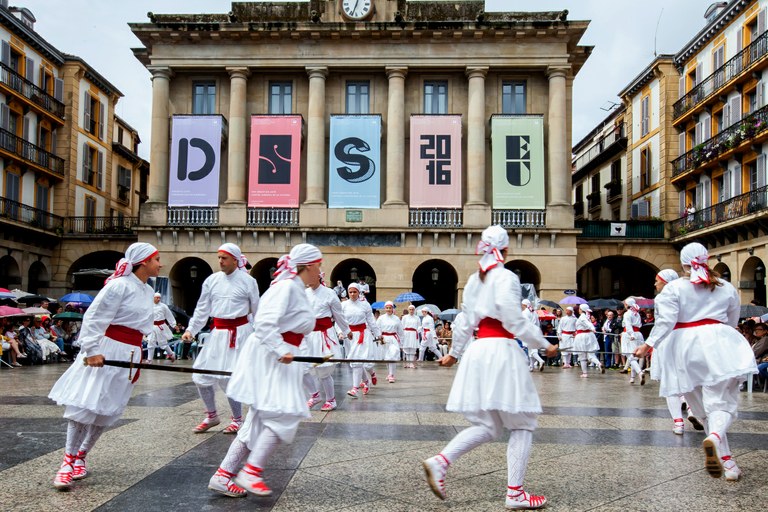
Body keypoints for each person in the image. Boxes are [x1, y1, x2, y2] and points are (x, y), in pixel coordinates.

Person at [422, 225, 558, 509]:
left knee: (488, 424)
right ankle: (515, 493)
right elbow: (513, 319)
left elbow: (464, 321)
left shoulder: (475, 280)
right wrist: (543, 345)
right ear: (505, 250)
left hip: (478, 350)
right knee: (523, 424)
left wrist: (454, 353)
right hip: (500, 351)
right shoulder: (506, 277)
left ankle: (440, 461)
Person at [634, 243, 757, 482]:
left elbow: (665, 322)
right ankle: (715, 437)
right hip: (718, 342)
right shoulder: (726, 287)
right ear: (706, 259)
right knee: (721, 403)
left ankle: (729, 463)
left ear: (683, 263)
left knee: (701, 406)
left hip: (683, 347)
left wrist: (649, 344)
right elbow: (731, 321)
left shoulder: (673, 289)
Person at [209, 244, 322, 498]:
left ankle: (223, 475)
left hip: (279, 360)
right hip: (270, 360)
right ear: (309, 265)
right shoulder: (286, 288)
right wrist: (282, 348)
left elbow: (292, 328)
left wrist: (298, 353)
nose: (320, 271)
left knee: (259, 420)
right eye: (319, 265)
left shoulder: (295, 288)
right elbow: (264, 322)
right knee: (284, 412)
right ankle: (251, 471)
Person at [48, 242, 161, 490]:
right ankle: (66, 462)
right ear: (143, 262)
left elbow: (143, 325)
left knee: (107, 410)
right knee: (85, 406)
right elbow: (95, 316)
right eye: (156, 259)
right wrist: (92, 350)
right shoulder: (119, 285)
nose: (159, 264)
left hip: (130, 354)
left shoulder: (145, 289)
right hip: (107, 348)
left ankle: (82, 456)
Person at [182, 243, 260, 434]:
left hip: (240, 333)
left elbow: (258, 311)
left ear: (235, 259)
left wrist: (261, 337)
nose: (220, 261)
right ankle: (211, 415)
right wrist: (191, 329)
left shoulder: (248, 281)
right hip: (218, 334)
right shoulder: (211, 280)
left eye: (224, 258)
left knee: (230, 378)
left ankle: (237, 419)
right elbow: (202, 309)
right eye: (218, 257)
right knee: (200, 375)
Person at [304, 272, 350, 412]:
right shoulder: (304, 293)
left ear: (318, 277)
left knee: (324, 370)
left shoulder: (329, 293)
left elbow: (338, 315)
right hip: (308, 335)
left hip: (324, 335)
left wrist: (346, 330)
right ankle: (315, 395)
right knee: (303, 367)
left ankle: (331, 400)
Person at [342, 282, 381, 398]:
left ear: (359, 292)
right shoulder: (343, 305)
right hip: (350, 336)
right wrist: (341, 332)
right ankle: (367, 381)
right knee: (355, 362)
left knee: (359, 361)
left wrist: (378, 334)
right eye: (350, 292)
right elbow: (340, 320)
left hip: (362, 336)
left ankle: (355, 388)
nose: (353, 294)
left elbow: (371, 321)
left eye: (355, 292)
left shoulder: (365, 305)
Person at [377, 301, 404, 383]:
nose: (388, 309)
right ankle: (389, 373)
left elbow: (400, 331)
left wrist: (401, 343)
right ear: (385, 308)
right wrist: (379, 338)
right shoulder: (381, 318)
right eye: (387, 308)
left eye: (390, 308)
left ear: (392, 308)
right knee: (387, 357)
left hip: (393, 339)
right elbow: (377, 328)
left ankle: (391, 374)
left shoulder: (396, 319)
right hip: (384, 339)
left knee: (392, 356)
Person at [573, 304, 604, 377]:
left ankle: (585, 373)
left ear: (581, 310)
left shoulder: (582, 317)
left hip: (582, 337)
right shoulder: (587, 316)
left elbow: (588, 324)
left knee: (582, 355)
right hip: (589, 336)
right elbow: (588, 324)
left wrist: (593, 328)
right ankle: (599, 364)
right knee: (591, 354)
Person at [146, 293, 177, 363]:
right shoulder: (149, 305)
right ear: (153, 298)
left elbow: (169, 315)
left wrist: (174, 325)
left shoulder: (163, 306)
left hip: (161, 326)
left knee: (162, 343)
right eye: (157, 298)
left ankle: (171, 354)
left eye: (159, 298)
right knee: (150, 341)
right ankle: (149, 359)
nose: (158, 299)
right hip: (152, 326)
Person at [622, 297, 645, 384]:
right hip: (638, 334)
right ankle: (632, 378)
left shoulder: (627, 314)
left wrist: (631, 334)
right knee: (634, 357)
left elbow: (628, 326)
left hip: (630, 335)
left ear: (627, 305)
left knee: (631, 357)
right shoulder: (637, 313)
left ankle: (640, 372)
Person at [521, 299, 545, 371]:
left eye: (522, 305)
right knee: (531, 350)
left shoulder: (524, 312)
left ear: (524, 305)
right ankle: (531, 366)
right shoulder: (534, 312)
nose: (521, 306)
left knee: (532, 350)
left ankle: (540, 361)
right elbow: (538, 323)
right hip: (535, 332)